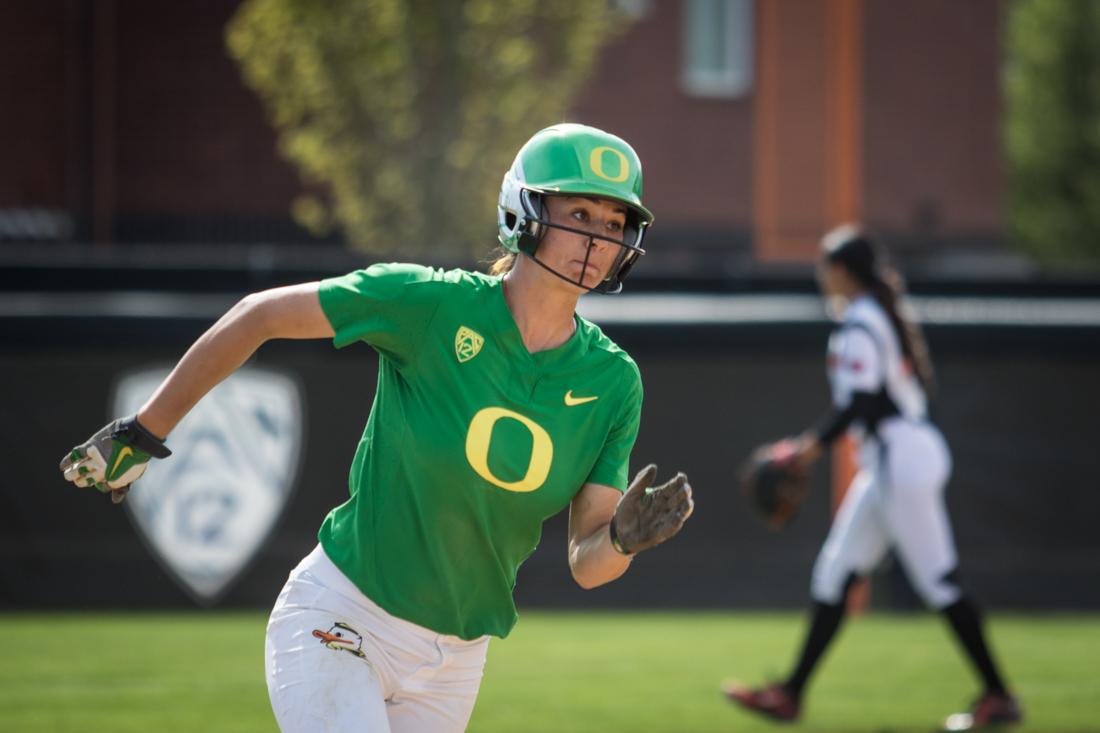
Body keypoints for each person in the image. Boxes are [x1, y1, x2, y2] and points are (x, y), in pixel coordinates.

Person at [59, 123, 694, 733]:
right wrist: (143, 433)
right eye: (579, 214)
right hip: (341, 618)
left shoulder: (614, 381)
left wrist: (624, 542)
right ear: (523, 212)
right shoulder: (429, 304)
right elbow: (257, 316)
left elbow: (588, 563)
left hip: (456, 663)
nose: (597, 239)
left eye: (614, 224)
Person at [723, 225, 1022, 731]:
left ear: (842, 270)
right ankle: (791, 694)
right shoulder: (871, 315)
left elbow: (859, 403)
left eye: (825, 264)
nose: (821, 274)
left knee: (939, 581)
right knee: (836, 572)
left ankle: (999, 696)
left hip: (900, 457)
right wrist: (809, 449)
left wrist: (804, 450)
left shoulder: (861, 320)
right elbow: (862, 404)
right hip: (891, 457)